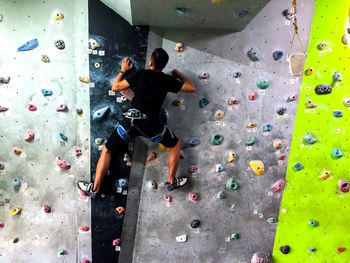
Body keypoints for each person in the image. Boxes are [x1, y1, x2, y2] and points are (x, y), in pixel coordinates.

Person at [78, 48, 196, 196]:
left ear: (150, 61)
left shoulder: (140, 74)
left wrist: (122, 70)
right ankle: (171, 181)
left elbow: (115, 87)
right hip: (150, 126)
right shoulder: (167, 80)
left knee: (107, 149)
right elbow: (191, 88)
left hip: (130, 123)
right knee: (175, 144)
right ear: (163, 66)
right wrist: (177, 74)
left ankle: (94, 187)